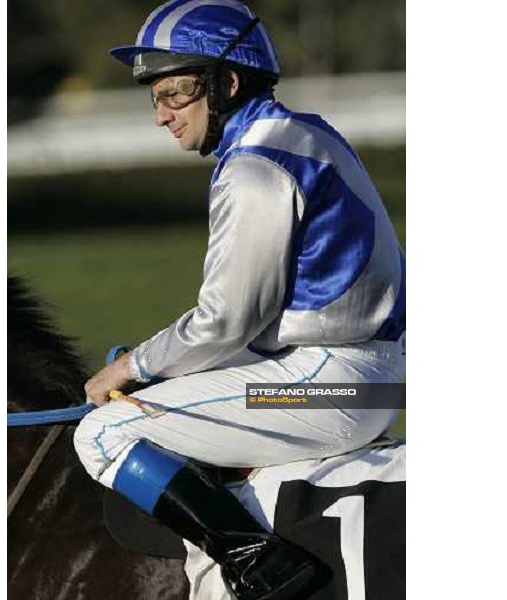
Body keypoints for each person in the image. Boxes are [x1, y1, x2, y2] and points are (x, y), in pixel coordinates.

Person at [74, 2, 405, 599]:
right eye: (155, 97)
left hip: (330, 386)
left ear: (226, 82)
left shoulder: (254, 166)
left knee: (102, 433)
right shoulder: (307, 133)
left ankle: (261, 566)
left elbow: (222, 323)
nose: (161, 116)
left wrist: (129, 366)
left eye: (174, 94)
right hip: (361, 377)